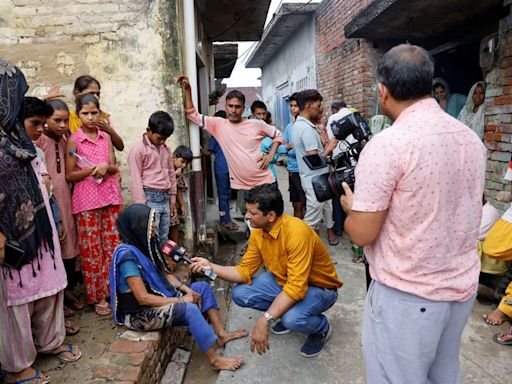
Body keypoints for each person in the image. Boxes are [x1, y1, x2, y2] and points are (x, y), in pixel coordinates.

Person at [341, 44, 486, 383]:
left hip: (409, 297)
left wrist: (351, 209)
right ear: (427, 84)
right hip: (461, 288)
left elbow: (362, 234)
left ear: (382, 91)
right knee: (444, 371)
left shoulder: (389, 145)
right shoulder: (470, 140)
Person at [190, 184, 342, 358]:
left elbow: (296, 288)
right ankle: (285, 311)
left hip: (320, 288)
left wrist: (265, 319)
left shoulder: (297, 233)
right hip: (285, 282)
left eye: (253, 213)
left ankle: (321, 328)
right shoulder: (259, 231)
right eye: (247, 211)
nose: (247, 217)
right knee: (240, 293)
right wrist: (210, 266)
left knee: (291, 319)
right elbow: (244, 271)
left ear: (271, 216)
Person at [0, 59, 81, 384]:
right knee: (16, 303)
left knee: (48, 291)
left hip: (41, 234)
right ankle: (17, 365)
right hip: (11, 239)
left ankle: (50, 342)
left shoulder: (21, 141)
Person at [110, 204, 247, 371]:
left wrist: (188, 290)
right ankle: (215, 360)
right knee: (189, 310)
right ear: (137, 226)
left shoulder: (144, 246)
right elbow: (142, 298)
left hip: (155, 300)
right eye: (150, 222)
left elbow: (166, 275)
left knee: (202, 287)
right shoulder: (127, 257)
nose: (154, 226)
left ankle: (221, 335)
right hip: (140, 314)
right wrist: (181, 299)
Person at [177, 75, 283, 216]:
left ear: (243, 108)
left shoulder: (256, 124)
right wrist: (188, 91)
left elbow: (278, 135)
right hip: (244, 188)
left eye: (237, 107)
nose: (233, 110)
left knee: (273, 223)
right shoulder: (218, 125)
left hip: (266, 183)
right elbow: (192, 115)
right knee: (252, 226)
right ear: (225, 106)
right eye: (230, 106)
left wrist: (270, 155)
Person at [66, 93, 122, 316]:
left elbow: (113, 165)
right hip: (86, 201)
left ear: (100, 113)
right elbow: (70, 175)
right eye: (85, 113)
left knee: (112, 246)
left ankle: (113, 291)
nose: (90, 117)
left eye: (94, 112)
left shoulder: (105, 137)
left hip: (109, 196)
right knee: (91, 251)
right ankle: (97, 296)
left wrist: (106, 168)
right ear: (77, 115)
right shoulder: (74, 139)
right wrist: (92, 169)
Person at [37, 100, 83, 314]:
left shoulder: (64, 139)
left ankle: (67, 290)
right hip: (50, 201)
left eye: (66, 120)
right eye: (57, 120)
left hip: (67, 198)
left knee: (69, 244)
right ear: (46, 120)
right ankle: (59, 298)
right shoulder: (40, 141)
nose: (63, 124)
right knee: (54, 246)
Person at [291, 89, 339, 246]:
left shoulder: (299, 125)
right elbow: (315, 160)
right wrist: (329, 147)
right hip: (315, 181)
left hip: (316, 179)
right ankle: (301, 253)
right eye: (318, 105)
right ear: (309, 105)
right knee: (311, 221)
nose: (321, 108)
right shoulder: (306, 129)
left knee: (327, 209)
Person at [127, 111, 177, 246]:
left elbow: (171, 174)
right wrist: (142, 208)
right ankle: (152, 266)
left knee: (163, 235)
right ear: (148, 130)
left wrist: (172, 200)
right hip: (149, 199)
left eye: (165, 139)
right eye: (160, 138)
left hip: (165, 198)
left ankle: (162, 263)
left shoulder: (166, 149)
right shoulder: (138, 150)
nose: (162, 141)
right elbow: (135, 180)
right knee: (150, 237)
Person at [69, 75, 124, 151]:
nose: (96, 97)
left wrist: (109, 130)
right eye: (91, 93)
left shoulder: (103, 117)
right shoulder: (68, 118)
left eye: (98, 94)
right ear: (77, 93)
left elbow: (120, 147)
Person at [206, 110, 238, 231]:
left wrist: (200, 151)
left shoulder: (217, 133)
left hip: (222, 167)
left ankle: (225, 219)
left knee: (224, 194)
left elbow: (209, 151)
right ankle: (225, 220)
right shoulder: (230, 132)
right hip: (229, 167)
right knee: (226, 194)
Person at [282, 94, 306, 219]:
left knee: (308, 203)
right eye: (291, 106)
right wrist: (288, 147)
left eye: (295, 106)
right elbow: (281, 148)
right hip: (293, 170)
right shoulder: (289, 127)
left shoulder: (308, 126)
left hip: (306, 170)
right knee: (297, 205)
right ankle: (298, 233)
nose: (293, 109)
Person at [168, 145, 193, 243]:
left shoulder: (179, 171)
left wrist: (182, 205)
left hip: (172, 202)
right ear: (174, 157)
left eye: (186, 163)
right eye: (182, 162)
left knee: (174, 223)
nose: (184, 165)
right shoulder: (166, 167)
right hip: (163, 200)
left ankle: (175, 246)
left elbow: (178, 188)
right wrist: (173, 176)